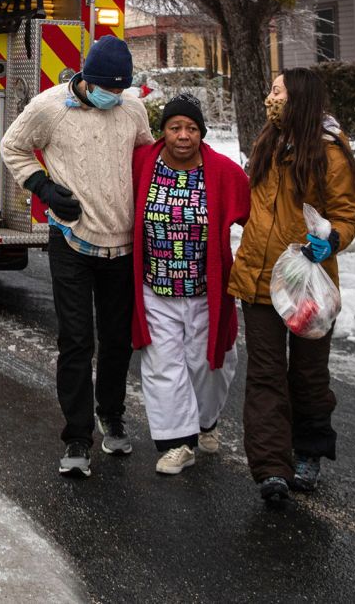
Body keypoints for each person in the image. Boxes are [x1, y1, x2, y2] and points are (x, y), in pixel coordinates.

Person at [0, 34, 154, 478]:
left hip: (123, 242)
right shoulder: (49, 108)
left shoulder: (132, 109)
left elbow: (144, 153)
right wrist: (42, 187)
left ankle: (112, 414)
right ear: (86, 78)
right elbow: (12, 147)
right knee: (76, 339)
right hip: (72, 239)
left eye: (120, 89)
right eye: (108, 87)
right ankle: (76, 437)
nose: (113, 96)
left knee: (117, 338)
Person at [228, 68, 355, 505]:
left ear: (298, 98)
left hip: (306, 282)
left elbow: (346, 215)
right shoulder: (268, 140)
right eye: (270, 89)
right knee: (264, 375)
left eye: (277, 91)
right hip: (260, 277)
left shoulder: (329, 153)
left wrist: (331, 241)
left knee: (307, 374)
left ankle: (308, 451)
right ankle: (271, 469)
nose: (270, 97)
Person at [129, 94, 250, 475]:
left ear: (202, 133)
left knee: (210, 365)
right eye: (175, 127)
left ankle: (205, 422)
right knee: (164, 366)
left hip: (205, 292)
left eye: (192, 128)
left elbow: (258, 219)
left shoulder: (224, 172)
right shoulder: (142, 163)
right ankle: (176, 443)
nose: (184, 135)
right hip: (156, 289)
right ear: (162, 132)